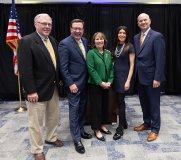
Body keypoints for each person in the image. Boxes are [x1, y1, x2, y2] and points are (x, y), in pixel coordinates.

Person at [17, 13, 63, 160]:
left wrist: (60, 79)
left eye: (49, 24)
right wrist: (30, 90)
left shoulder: (53, 40)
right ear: (35, 24)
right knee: (35, 122)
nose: (47, 26)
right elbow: (25, 69)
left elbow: (54, 64)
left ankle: (51, 137)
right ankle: (37, 150)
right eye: (44, 23)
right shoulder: (27, 41)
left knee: (53, 117)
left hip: (53, 88)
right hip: (36, 91)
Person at [58, 19, 92, 154]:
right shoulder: (64, 44)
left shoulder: (84, 41)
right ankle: (77, 139)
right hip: (73, 85)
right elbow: (63, 67)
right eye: (75, 28)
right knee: (74, 111)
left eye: (80, 28)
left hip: (84, 83)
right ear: (70, 29)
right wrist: (70, 83)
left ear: (83, 29)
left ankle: (82, 130)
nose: (78, 31)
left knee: (82, 109)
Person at [133, 13, 165, 142]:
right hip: (140, 77)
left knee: (154, 104)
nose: (143, 22)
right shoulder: (136, 37)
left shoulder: (157, 36)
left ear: (150, 21)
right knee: (144, 102)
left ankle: (155, 129)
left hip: (152, 78)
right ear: (138, 23)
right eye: (140, 20)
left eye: (145, 20)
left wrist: (157, 78)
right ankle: (147, 123)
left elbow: (160, 58)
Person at [87, 32, 114, 141]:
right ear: (94, 41)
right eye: (97, 39)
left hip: (106, 85)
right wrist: (100, 82)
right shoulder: (91, 53)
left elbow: (111, 69)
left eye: (101, 39)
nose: (99, 41)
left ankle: (102, 124)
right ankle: (96, 129)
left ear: (104, 41)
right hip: (95, 85)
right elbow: (91, 69)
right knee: (96, 108)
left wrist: (109, 82)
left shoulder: (108, 53)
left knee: (104, 106)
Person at [112, 26, 135, 140]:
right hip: (115, 77)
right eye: (120, 32)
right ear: (117, 34)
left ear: (126, 35)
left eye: (124, 33)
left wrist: (128, 81)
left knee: (120, 101)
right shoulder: (116, 46)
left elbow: (132, 66)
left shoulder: (129, 46)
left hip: (123, 78)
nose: (121, 34)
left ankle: (120, 128)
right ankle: (124, 122)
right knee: (118, 101)